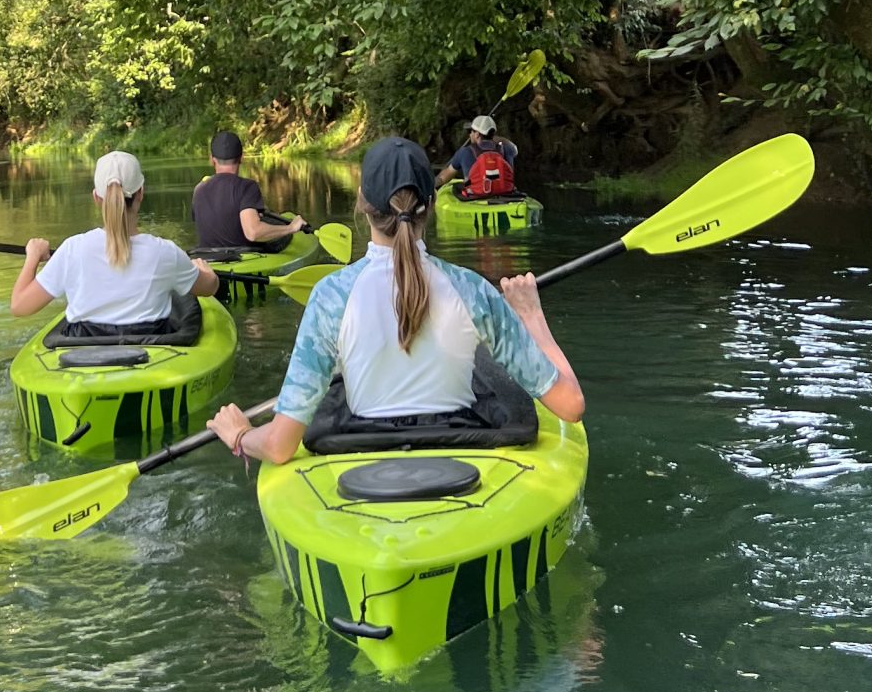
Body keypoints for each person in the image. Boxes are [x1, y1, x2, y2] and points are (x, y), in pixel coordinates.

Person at [208, 135, 581, 465]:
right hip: (463, 450)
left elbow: (277, 448)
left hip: (361, 456)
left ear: (361, 202)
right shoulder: (471, 289)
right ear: (432, 203)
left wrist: (241, 436)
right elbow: (570, 404)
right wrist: (531, 315)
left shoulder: (331, 297)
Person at [12, 150, 218, 332]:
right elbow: (209, 288)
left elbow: (20, 306)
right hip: (151, 354)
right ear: (141, 193)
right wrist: (206, 272)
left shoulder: (71, 249)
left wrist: (33, 256)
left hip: (84, 359)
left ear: (96, 198)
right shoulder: (165, 252)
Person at [192, 129, 306, 254]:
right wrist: (291, 228)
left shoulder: (199, 189)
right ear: (241, 158)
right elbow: (253, 233)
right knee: (287, 236)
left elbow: (216, 220)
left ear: (212, 160)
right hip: (243, 256)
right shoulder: (247, 187)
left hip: (207, 256)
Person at [447, 113, 521, 199]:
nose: (469, 135)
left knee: (457, 188)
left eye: (470, 131)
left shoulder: (464, 151)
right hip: (506, 194)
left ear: (477, 134)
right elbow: (515, 149)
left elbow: (444, 177)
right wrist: (496, 138)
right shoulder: (507, 148)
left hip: (475, 196)